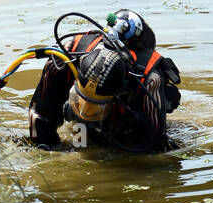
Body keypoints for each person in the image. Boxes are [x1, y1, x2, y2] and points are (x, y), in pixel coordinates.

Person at [29, 9, 181, 152]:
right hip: (81, 127)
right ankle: (82, 116)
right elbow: (39, 115)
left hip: (126, 122)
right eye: (80, 100)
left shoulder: (149, 79)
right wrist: (44, 148)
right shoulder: (67, 53)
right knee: (79, 143)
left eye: (94, 107)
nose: (85, 111)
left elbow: (153, 145)